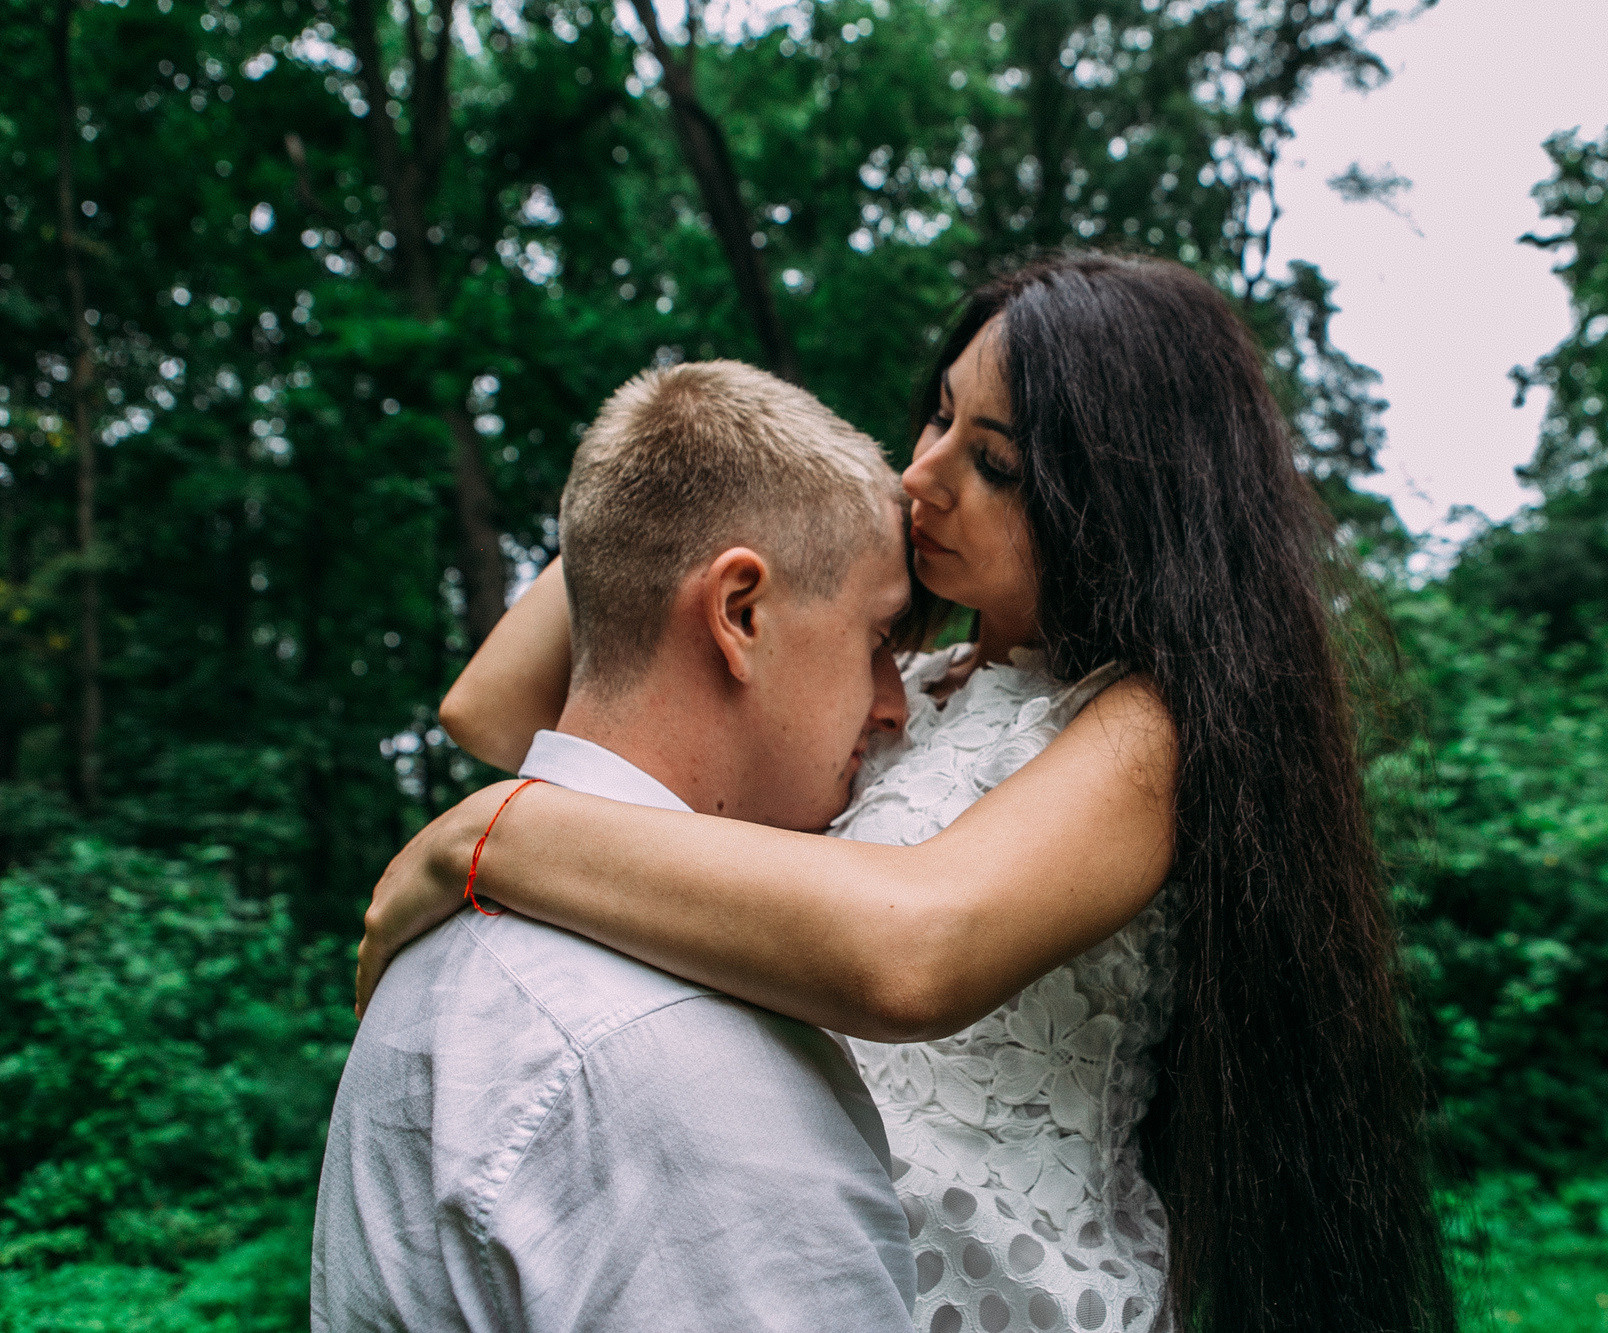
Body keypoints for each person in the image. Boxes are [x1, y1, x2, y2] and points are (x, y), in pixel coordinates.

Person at [362, 253, 1458, 1332]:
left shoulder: (1143, 727)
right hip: (775, 1259)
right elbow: (491, 707)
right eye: (936, 417)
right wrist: (710, 482)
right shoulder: (905, 681)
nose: (923, 475)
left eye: (995, 463)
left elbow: (916, 951)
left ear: (1122, 500)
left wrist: (490, 837)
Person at [313, 361, 920, 1331]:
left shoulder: (443, 951)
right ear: (741, 612)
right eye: (879, 636)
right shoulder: (681, 1061)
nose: (896, 704)